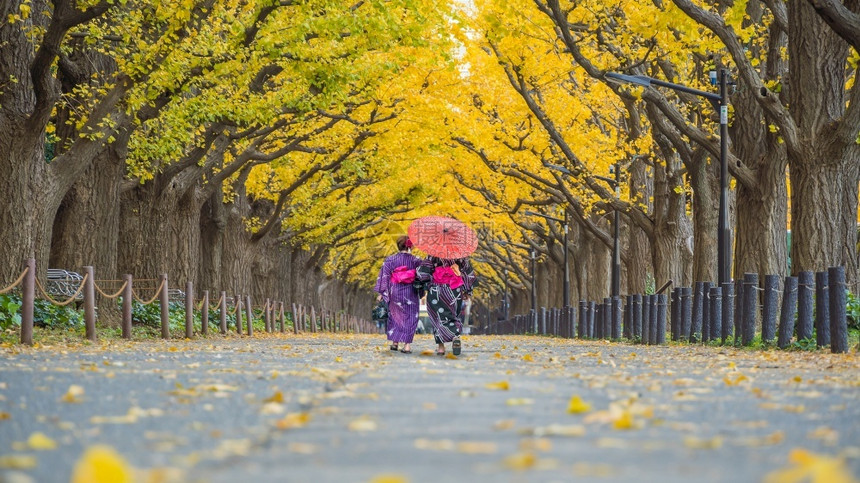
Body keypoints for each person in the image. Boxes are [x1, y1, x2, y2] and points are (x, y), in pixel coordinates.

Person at [415, 256, 477, 356]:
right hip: (454, 289)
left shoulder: (433, 253)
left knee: (437, 317)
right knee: (453, 315)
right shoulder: (459, 254)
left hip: (437, 289)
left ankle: (441, 348)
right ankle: (455, 337)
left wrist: (423, 279)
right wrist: (468, 291)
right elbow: (467, 272)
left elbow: (423, 274)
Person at [374, 236, 422, 353]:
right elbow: (422, 276)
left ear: (398, 246)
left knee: (395, 315)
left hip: (395, 290)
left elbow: (384, 276)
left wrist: (381, 292)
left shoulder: (390, 259)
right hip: (411, 291)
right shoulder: (416, 260)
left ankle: (395, 343)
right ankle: (407, 346)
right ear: (410, 246)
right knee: (411, 317)